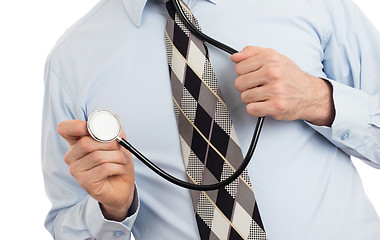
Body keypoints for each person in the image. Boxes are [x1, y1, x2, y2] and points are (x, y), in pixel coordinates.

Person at [42, 0, 380, 239]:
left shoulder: (311, 4)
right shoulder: (73, 60)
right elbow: (67, 225)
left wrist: (319, 99)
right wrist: (112, 210)